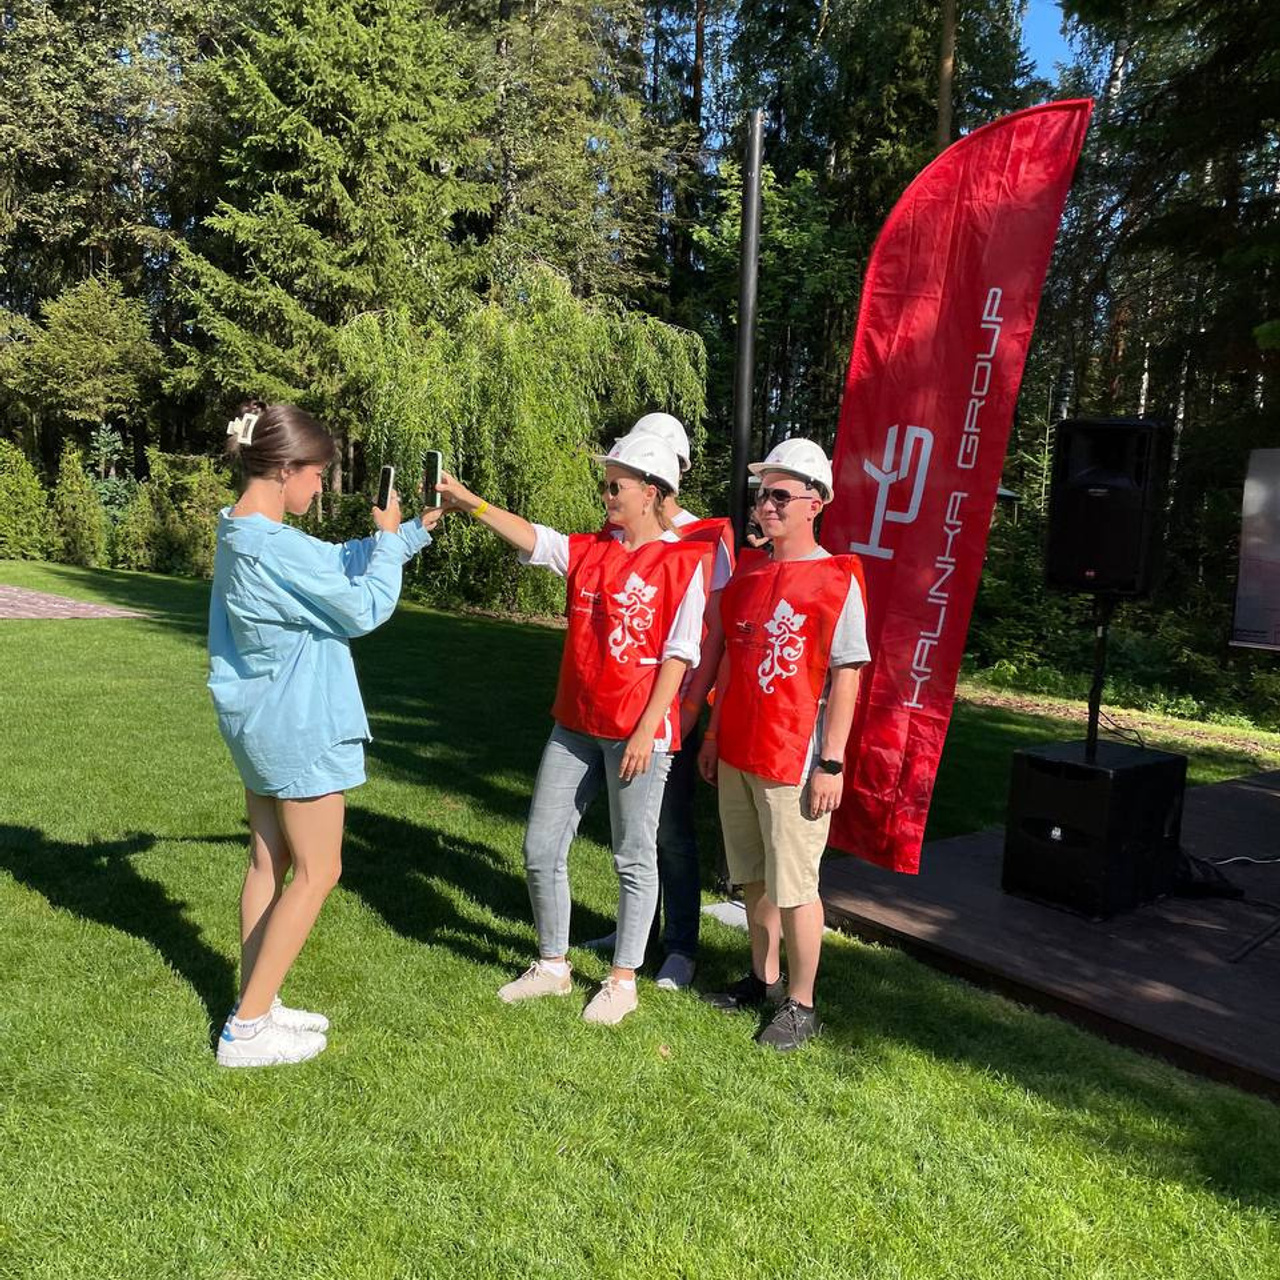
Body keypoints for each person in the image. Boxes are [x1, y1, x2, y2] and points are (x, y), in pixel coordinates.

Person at [435, 434, 712, 1025]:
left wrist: (647, 730)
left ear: (651, 493)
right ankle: (552, 966)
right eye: (605, 484)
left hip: (637, 732)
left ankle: (622, 979)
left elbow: (680, 654)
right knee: (540, 847)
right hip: (576, 725)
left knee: (633, 856)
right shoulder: (590, 549)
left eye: (616, 486)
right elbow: (533, 538)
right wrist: (470, 503)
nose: (606, 495)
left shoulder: (684, 561)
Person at [208, 402, 442, 1067]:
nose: (320, 488)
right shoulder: (272, 545)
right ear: (286, 469)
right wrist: (390, 544)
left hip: (259, 723)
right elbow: (364, 607)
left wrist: (408, 534)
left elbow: (332, 561)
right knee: (320, 870)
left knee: (269, 864)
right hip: (300, 724)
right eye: (316, 475)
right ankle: (247, 1030)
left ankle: (256, 999)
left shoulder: (241, 529)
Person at [698, 438, 868, 1051]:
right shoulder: (750, 571)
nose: (765, 505)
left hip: (793, 756)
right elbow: (729, 661)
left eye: (780, 495)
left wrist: (831, 763)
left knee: (795, 886)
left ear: (815, 504)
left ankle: (802, 1003)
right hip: (739, 748)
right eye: (761, 495)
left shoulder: (836, 579)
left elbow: (847, 675)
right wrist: (712, 735)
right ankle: (763, 979)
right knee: (752, 877)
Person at [584, 412, 734, 991]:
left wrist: (692, 711)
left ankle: (680, 946)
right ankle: (636, 935)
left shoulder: (704, 538)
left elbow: (712, 635)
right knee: (634, 830)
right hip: (622, 706)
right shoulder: (626, 528)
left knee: (669, 830)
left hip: (674, 707)